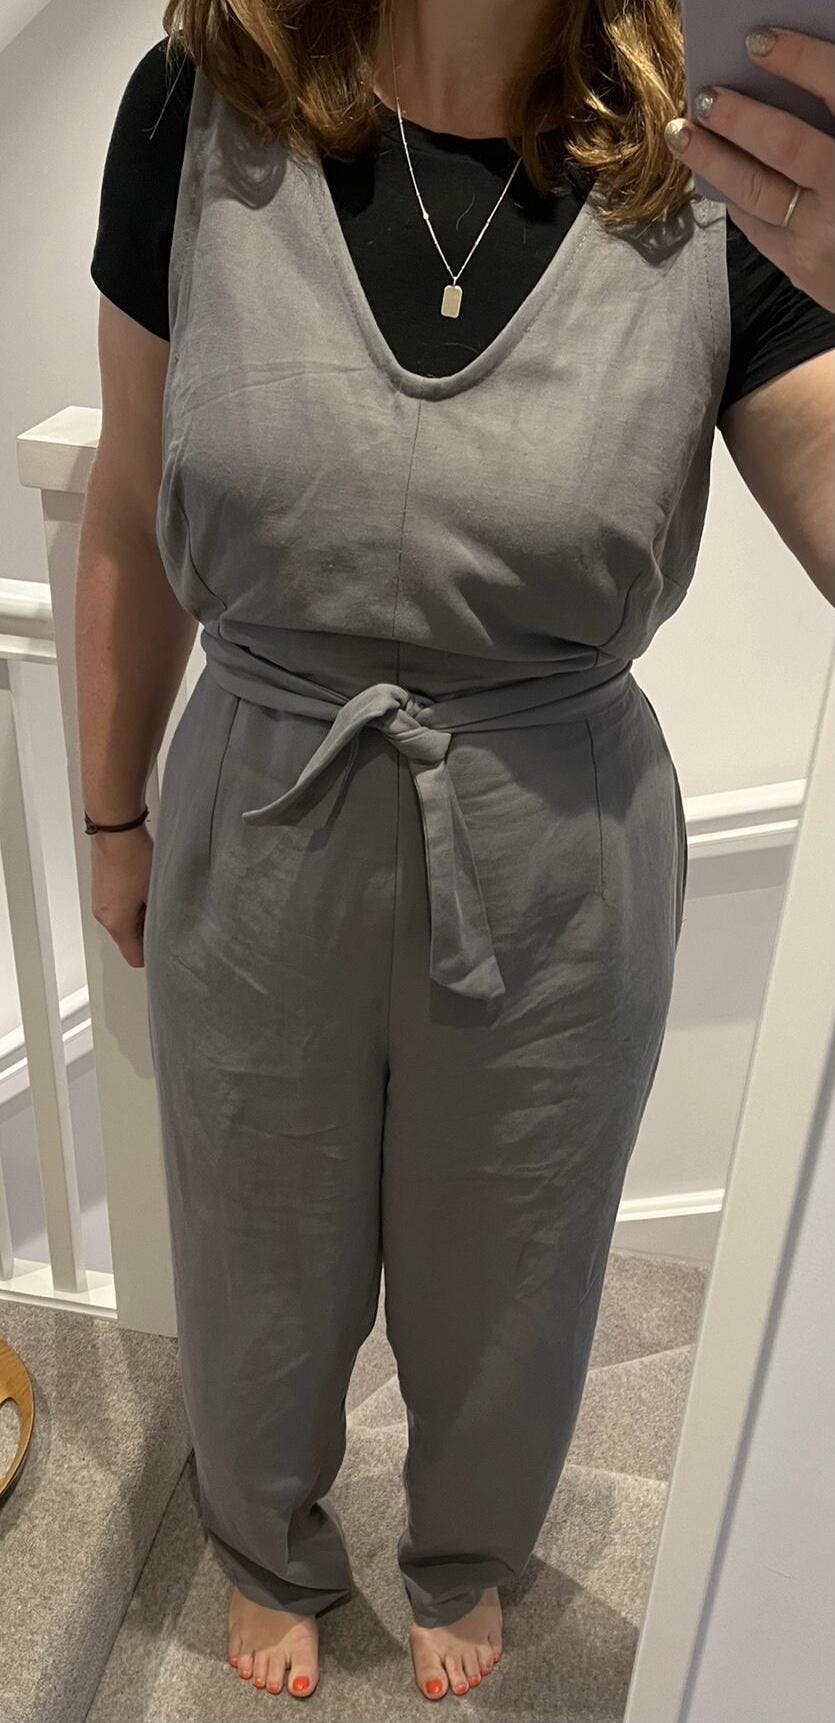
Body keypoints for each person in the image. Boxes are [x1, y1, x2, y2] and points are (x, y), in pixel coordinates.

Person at [78, 0, 835, 1704]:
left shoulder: (719, 157)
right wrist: (111, 813)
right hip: (259, 809)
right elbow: (128, 501)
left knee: (520, 1257)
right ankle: (266, 1541)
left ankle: (466, 1545)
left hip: (558, 850)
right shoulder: (195, 110)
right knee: (253, 1242)